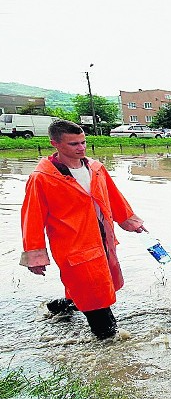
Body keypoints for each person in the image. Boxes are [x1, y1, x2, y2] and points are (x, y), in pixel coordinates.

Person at [20, 120, 145, 340]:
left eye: (83, 142)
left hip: (102, 240)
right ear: (55, 144)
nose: (81, 148)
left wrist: (130, 221)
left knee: (95, 286)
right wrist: (35, 257)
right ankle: (110, 343)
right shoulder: (42, 178)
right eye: (73, 144)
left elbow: (114, 197)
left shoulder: (95, 168)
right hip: (73, 248)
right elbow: (32, 219)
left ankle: (58, 309)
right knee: (96, 297)